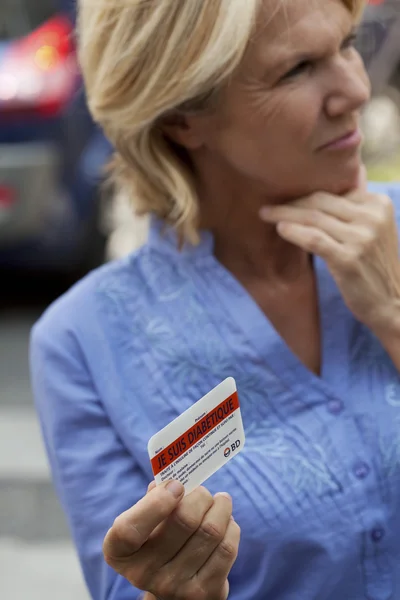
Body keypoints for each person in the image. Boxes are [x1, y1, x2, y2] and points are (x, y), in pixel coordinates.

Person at [30, 0, 400, 598]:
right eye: (298, 69)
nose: (355, 88)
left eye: (350, 42)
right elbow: (126, 582)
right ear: (183, 116)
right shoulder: (82, 341)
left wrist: (393, 314)